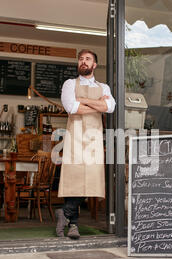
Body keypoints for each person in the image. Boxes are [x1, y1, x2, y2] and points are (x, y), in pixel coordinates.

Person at [55, 49, 116, 239]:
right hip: (74, 137)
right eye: (81, 59)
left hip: (94, 140)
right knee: (73, 180)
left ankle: (64, 213)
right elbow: (71, 107)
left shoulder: (104, 87)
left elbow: (110, 107)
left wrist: (84, 101)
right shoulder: (69, 84)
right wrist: (97, 105)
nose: (83, 62)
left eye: (88, 59)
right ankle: (73, 226)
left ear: (94, 65)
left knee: (91, 181)